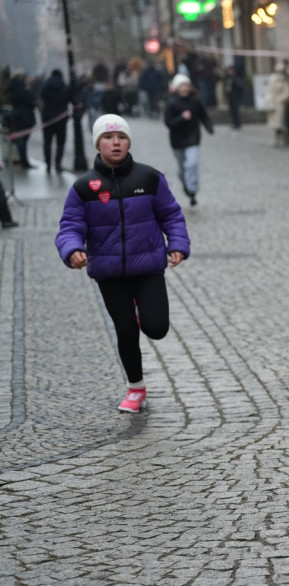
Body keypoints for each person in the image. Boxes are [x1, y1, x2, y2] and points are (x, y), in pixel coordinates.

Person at [55, 114, 189, 413]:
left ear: (129, 142)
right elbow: (70, 226)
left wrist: (178, 244)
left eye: (121, 137)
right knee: (126, 330)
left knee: (156, 328)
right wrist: (72, 249)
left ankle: (144, 313)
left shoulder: (149, 178)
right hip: (109, 272)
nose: (115, 143)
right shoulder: (84, 187)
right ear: (97, 144)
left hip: (148, 266)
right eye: (108, 137)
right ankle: (136, 389)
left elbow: (171, 215)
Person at [164, 74, 214, 207]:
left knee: (191, 163)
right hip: (177, 140)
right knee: (182, 169)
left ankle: (192, 189)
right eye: (182, 86)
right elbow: (168, 122)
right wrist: (182, 117)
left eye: (186, 85)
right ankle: (186, 185)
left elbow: (203, 115)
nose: (185, 88)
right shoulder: (172, 103)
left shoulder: (195, 101)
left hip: (193, 137)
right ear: (177, 88)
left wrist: (209, 127)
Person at [39, 69, 71, 174]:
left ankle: (48, 164)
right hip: (61, 118)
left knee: (47, 142)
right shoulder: (64, 86)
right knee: (60, 142)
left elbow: (42, 96)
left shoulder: (46, 86)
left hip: (47, 118)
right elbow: (70, 97)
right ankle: (58, 163)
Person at [5, 72, 36, 168]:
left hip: (16, 115)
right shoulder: (22, 89)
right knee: (23, 139)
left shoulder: (12, 88)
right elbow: (31, 101)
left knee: (19, 138)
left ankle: (21, 158)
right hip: (25, 116)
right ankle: (23, 160)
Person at [266, 61, 289, 147]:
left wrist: (280, 99)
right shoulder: (272, 79)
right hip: (272, 104)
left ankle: (283, 138)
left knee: (280, 123)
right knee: (274, 124)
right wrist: (269, 99)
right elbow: (269, 90)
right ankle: (276, 139)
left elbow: (287, 92)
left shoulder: (284, 80)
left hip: (280, 104)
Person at [224, 65, 244, 130]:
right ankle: (233, 122)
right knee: (231, 111)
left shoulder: (236, 78)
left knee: (236, 110)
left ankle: (238, 123)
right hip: (230, 96)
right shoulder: (227, 78)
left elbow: (240, 87)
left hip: (235, 96)